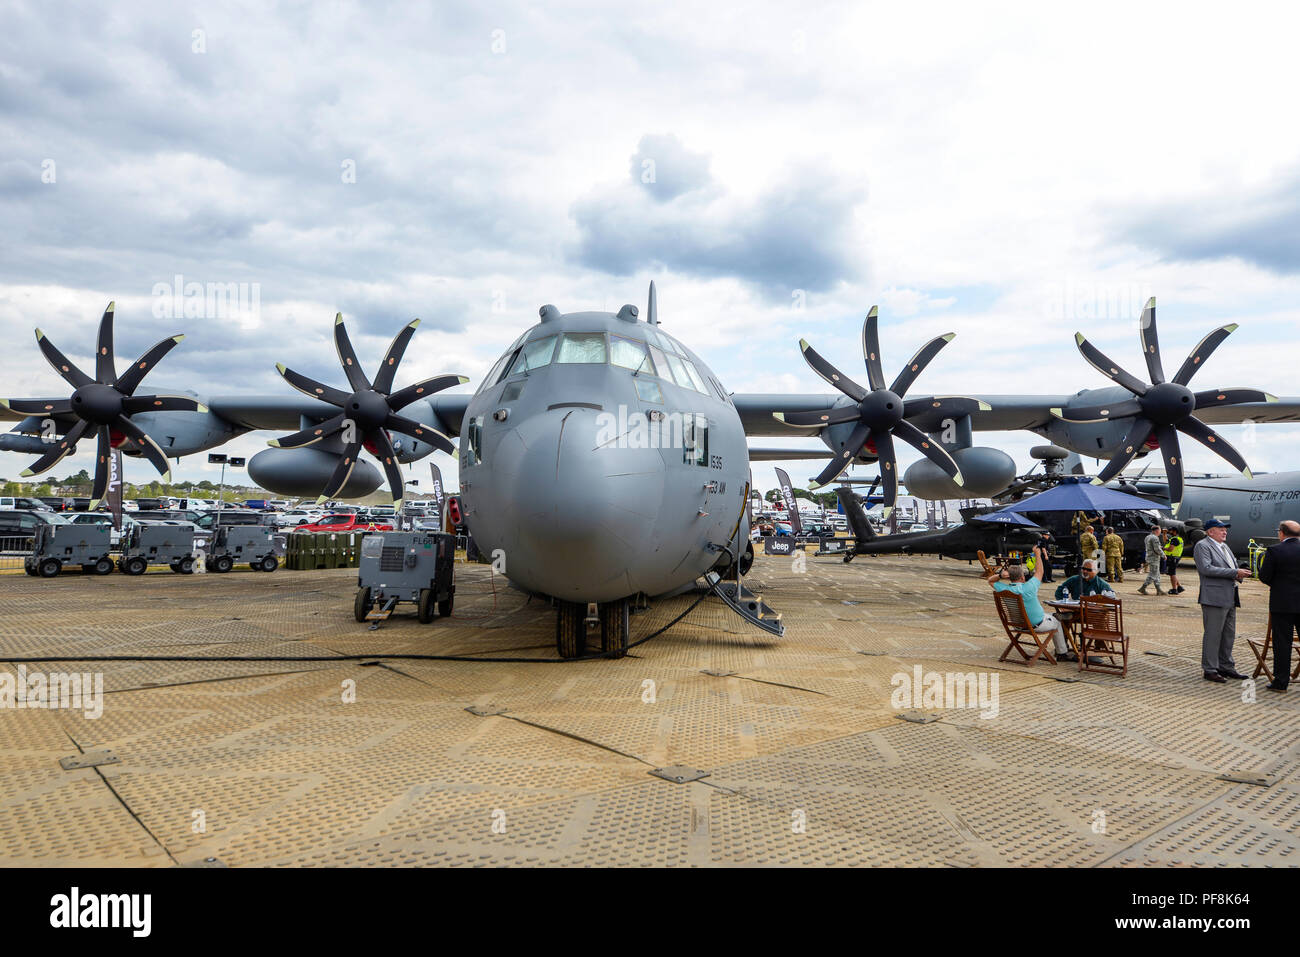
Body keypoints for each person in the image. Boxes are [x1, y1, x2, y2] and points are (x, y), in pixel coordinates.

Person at [1194, 519, 1250, 683]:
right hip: (1214, 597)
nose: (1225, 532)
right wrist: (1235, 572)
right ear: (1210, 531)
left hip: (1230, 596)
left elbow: (1231, 566)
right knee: (1213, 634)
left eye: (1225, 529)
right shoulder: (1203, 546)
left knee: (1228, 634)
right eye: (1221, 529)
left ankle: (1226, 666)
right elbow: (1206, 568)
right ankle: (1210, 669)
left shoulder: (1224, 546)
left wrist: (1240, 573)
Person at [988, 563, 1073, 661]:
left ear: (1009, 578)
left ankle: (1055, 617)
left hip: (1017, 625)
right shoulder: (1028, 587)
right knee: (1057, 621)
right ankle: (1062, 653)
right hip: (1035, 625)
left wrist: (1000, 576)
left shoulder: (1004, 589)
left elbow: (990, 580)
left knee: (1050, 616)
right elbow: (1040, 571)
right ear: (1022, 577)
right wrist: (1037, 553)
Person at [1257, 520, 1300, 692]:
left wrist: (1280, 586)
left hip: (1282, 604)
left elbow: (1264, 576)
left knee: (1282, 643)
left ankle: (1281, 682)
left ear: (1281, 533)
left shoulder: (1275, 550)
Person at [1138, 526, 1165, 595]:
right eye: (1160, 530)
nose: (1160, 532)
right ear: (1157, 531)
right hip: (1154, 558)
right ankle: (1143, 588)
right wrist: (1163, 555)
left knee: (1157, 574)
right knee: (1153, 574)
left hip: (1150, 557)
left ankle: (1158, 590)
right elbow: (1157, 549)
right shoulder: (1155, 538)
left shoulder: (1148, 537)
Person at [1164, 529, 1185, 595]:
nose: (1169, 531)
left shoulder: (1174, 539)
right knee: (1171, 573)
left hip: (1172, 558)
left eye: (1171, 530)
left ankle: (1174, 589)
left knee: (1172, 573)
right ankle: (1179, 587)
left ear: (1175, 531)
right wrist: (1164, 534)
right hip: (1175, 557)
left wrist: (1162, 548)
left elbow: (1170, 549)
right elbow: (1166, 542)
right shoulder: (1177, 539)